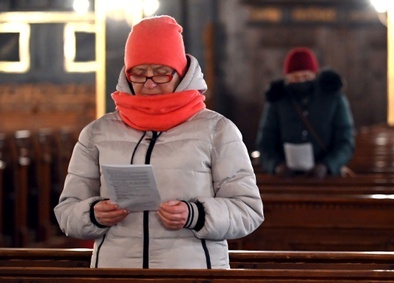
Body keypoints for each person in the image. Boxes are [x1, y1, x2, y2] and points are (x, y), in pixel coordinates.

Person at [54, 15, 264, 269]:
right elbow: (67, 213)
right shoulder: (97, 134)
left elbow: (248, 210)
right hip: (116, 276)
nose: (150, 83)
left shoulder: (217, 131)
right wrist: (93, 214)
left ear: (182, 72)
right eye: (140, 74)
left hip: (192, 278)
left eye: (162, 73)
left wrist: (195, 215)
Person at [255, 47, 355, 178]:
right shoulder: (277, 99)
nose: (301, 81)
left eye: (306, 76)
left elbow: (345, 141)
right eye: (295, 77)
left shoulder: (333, 97)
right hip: (286, 178)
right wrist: (276, 166)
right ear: (287, 78)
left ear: (315, 74)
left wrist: (328, 165)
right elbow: (265, 143)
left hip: (327, 177)